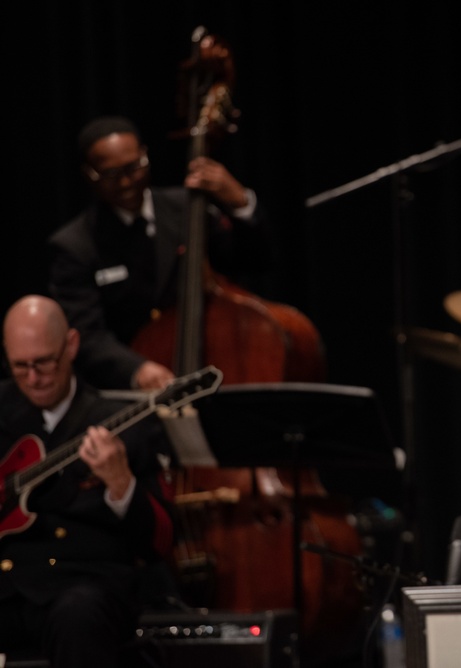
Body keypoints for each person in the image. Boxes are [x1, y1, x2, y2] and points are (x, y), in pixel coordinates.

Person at [0, 295, 175, 666]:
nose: (33, 378)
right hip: (9, 586)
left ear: (72, 346)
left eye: (44, 362)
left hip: (83, 586)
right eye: (20, 366)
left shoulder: (122, 420)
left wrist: (121, 485)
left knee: (78, 615)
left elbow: (161, 541)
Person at [47, 115, 272, 390]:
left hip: (212, 362)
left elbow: (254, 260)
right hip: (132, 390)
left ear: (145, 155)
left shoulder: (188, 209)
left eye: (133, 167)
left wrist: (240, 202)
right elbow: (86, 334)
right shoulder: (76, 245)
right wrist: (137, 369)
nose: (126, 182)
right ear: (89, 174)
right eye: (111, 175)